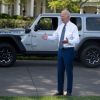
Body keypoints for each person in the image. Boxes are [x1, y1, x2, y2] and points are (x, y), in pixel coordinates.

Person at [42, 9, 80, 96]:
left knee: (69, 72)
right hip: (60, 51)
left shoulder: (73, 27)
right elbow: (55, 36)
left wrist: (68, 41)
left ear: (68, 16)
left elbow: (77, 40)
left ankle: (69, 91)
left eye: (62, 15)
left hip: (68, 51)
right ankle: (60, 91)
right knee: (60, 72)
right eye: (61, 15)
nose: (61, 17)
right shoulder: (60, 26)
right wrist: (47, 37)